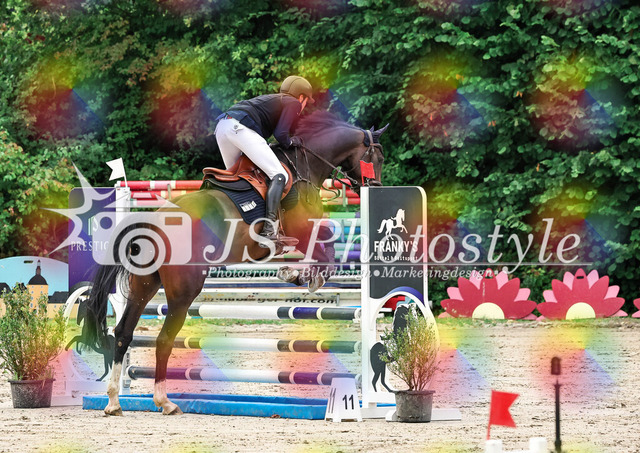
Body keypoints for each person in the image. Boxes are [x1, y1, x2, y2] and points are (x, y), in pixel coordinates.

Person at [215, 76, 314, 245]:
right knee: (280, 175)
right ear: (301, 97)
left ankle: (234, 223)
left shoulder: (274, 100)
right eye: (306, 101)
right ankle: (269, 230)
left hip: (222, 127)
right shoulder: (293, 102)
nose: (304, 106)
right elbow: (281, 134)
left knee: (238, 177)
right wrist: (292, 142)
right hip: (240, 128)